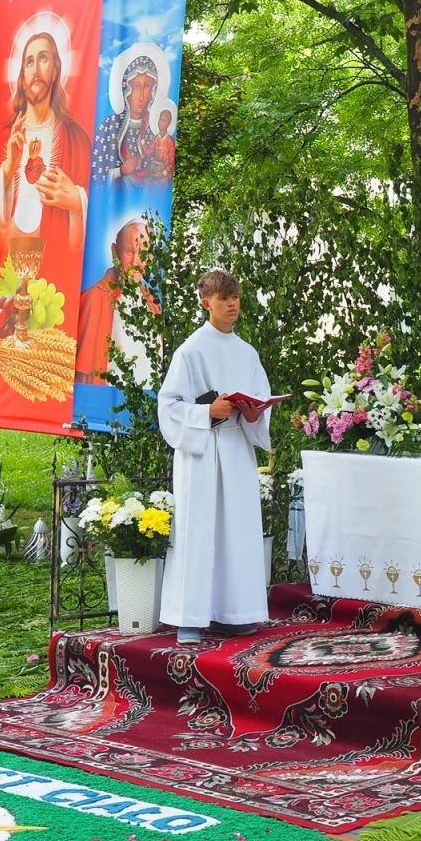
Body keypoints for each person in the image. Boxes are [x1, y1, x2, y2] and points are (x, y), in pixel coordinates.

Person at [157, 269, 274, 645]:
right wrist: (206, 412)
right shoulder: (191, 350)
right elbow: (168, 405)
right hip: (203, 451)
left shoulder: (247, 352)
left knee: (235, 530)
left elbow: (260, 400)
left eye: (236, 296)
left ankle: (234, 612)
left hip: (236, 446)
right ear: (206, 303)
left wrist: (255, 413)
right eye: (224, 298)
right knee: (199, 530)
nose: (232, 304)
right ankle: (190, 616)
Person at [0, 31, 91, 246]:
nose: (35, 69)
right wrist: (7, 169)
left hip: (56, 264)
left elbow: (100, 206)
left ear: (54, 71)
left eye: (43, 58)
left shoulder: (76, 139)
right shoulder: (3, 138)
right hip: (8, 263)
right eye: (29, 62)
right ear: (22, 78)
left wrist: (77, 200)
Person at [74, 218, 160, 385]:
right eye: (129, 252)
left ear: (149, 257)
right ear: (115, 252)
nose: (136, 262)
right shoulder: (93, 298)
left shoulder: (153, 303)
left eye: (142, 253)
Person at [92, 55, 158, 184]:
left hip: (147, 202)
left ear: (153, 91)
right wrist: (120, 171)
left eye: (147, 86)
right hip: (112, 201)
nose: (141, 96)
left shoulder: (155, 129)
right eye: (137, 86)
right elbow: (96, 174)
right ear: (126, 90)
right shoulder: (109, 126)